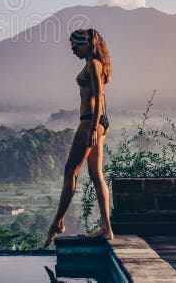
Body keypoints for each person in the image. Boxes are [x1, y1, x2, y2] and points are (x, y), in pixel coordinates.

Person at [44, 28, 114, 247]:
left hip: (90, 122)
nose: (73, 49)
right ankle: (106, 228)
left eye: (76, 46)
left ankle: (58, 221)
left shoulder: (93, 64)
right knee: (95, 173)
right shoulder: (94, 63)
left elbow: (99, 98)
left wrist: (93, 128)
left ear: (88, 44)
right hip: (99, 122)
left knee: (70, 172)